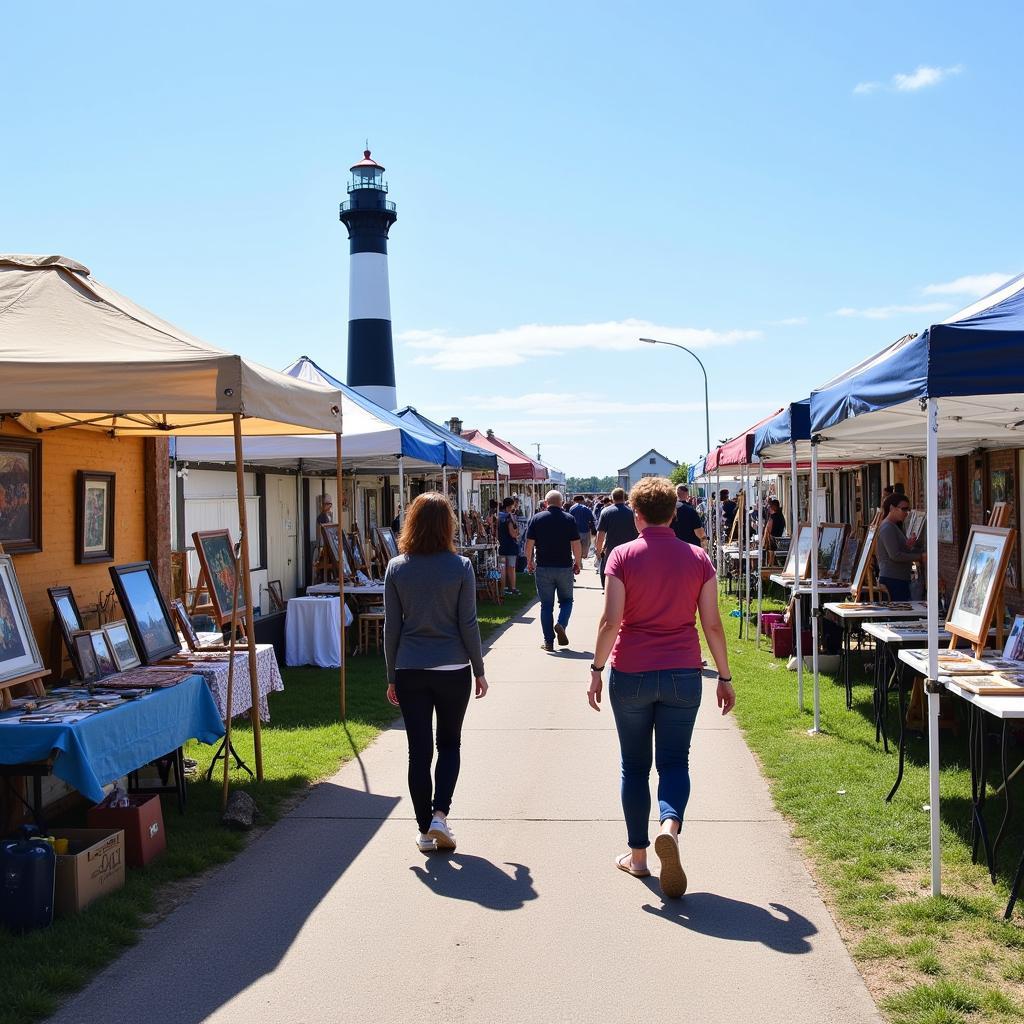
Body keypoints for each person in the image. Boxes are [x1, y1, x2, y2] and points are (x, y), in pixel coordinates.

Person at [587, 476, 735, 898]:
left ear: (636, 515)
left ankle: (638, 857)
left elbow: (610, 621)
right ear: (674, 512)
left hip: (632, 670)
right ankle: (669, 826)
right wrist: (724, 677)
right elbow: (711, 624)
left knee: (633, 766)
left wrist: (597, 668)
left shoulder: (621, 556)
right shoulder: (698, 558)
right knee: (674, 762)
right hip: (683, 672)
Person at [384, 493, 489, 853]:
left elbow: (391, 628)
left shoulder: (397, 567)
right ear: (449, 525)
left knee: (419, 750)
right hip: (452, 667)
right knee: (449, 743)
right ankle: (441, 814)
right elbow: (469, 623)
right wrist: (479, 668)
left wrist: (391, 675)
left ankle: (425, 828)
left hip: (410, 666)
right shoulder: (460, 566)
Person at [525, 490, 582, 651]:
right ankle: (561, 624)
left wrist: (529, 561)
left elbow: (529, 543)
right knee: (566, 601)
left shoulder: (537, 519)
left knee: (546, 606)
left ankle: (548, 642)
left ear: (545, 503)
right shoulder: (569, 519)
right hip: (564, 567)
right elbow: (576, 543)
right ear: (562, 503)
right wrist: (577, 562)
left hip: (543, 567)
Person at [877, 493, 924, 601]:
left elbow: (897, 551)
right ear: (892, 508)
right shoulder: (887, 527)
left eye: (908, 510)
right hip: (893, 580)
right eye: (904, 509)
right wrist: (919, 557)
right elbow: (895, 555)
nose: (906, 513)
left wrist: (908, 545)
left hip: (898, 578)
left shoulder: (893, 526)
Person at [595, 488, 638, 590]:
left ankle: (608, 590)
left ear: (612, 498)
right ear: (624, 497)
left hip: (611, 548)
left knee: (608, 570)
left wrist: (598, 550)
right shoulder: (632, 512)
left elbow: (600, 534)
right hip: (630, 550)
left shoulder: (606, 512)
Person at [497, 496, 521, 597]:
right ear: (510, 506)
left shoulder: (498, 516)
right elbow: (512, 533)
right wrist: (517, 533)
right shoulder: (509, 517)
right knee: (511, 567)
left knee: (502, 567)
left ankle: (502, 588)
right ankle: (513, 588)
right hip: (510, 545)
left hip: (501, 545)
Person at [568, 494, 597, 562]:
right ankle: (580, 558)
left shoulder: (572, 508)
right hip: (585, 531)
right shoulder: (586, 509)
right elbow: (592, 519)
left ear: (575, 501)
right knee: (585, 548)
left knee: (575, 547)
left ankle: (578, 560)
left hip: (575, 531)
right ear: (582, 500)